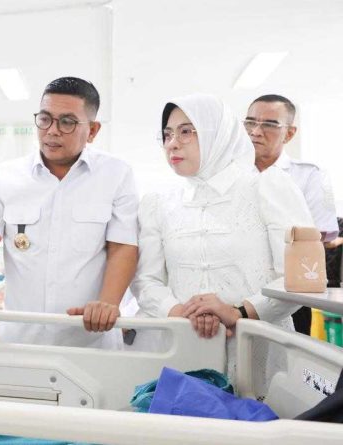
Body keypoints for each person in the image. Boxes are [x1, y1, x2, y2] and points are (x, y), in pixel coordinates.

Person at [0, 77, 139, 348]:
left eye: (67, 122)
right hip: (20, 339)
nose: (52, 131)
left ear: (93, 130)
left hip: (90, 341)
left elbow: (123, 247)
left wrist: (108, 303)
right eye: (45, 119)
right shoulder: (8, 175)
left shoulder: (116, 174)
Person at [132, 93, 313, 374]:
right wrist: (180, 313)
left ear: (218, 134)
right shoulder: (158, 203)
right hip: (182, 346)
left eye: (186, 132)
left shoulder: (268, 187)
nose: (172, 144)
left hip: (258, 346)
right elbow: (146, 280)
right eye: (167, 134)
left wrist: (239, 312)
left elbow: (300, 277)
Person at [245, 94, 338, 335]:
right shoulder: (234, 176)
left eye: (269, 124)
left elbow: (320, 236)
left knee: (291, 355)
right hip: (241, 290)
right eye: (250, 122)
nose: (255, 131)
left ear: (289, 133)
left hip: (290, 293)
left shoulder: (310, 176)